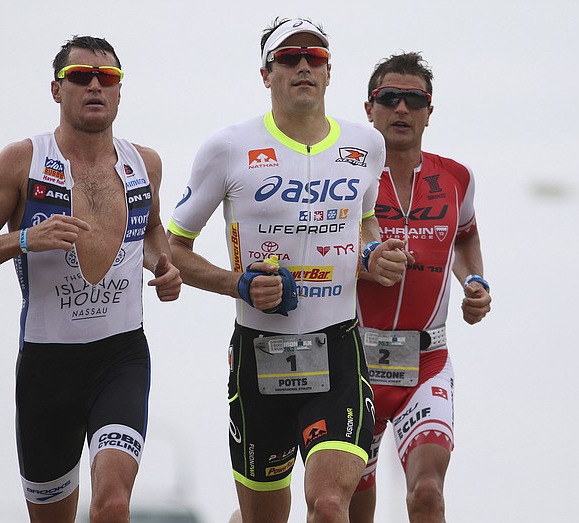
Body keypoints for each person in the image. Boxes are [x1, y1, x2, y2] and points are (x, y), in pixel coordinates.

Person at [167, 18, 408, 523]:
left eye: (315, 57)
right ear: (266, 73)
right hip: (259, 354)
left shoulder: (366, 146)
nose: (303, 65)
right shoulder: (228, 147)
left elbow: (366, 229)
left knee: (326, 504)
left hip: (338, 351)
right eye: (289, 57)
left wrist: (373, 257)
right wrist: (239, 284)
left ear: (328, 73)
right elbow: (175, 250)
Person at [0, 35, 182, 523]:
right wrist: (25, 239)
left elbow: (153, 228)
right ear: (57, 90)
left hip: (121, 355)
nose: (95, 85)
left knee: (113, 503)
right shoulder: (22, 162)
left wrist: (163, 264)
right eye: (80, 77)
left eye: (107, 78)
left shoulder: (144, 163)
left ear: (119, 92)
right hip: (47, 365)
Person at [349, 52, 492, 523]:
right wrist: (366, 265)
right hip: (355, 361)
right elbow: (316, 254)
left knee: (427, 494)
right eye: (389, 98)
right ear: (370, 109)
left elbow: (466, 236)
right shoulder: (346, 176)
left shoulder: (456, 177)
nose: (402, 110)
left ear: (431, 111)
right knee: (352, 507)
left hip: (425, 362)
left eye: (414, 100)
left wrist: (474, 281)